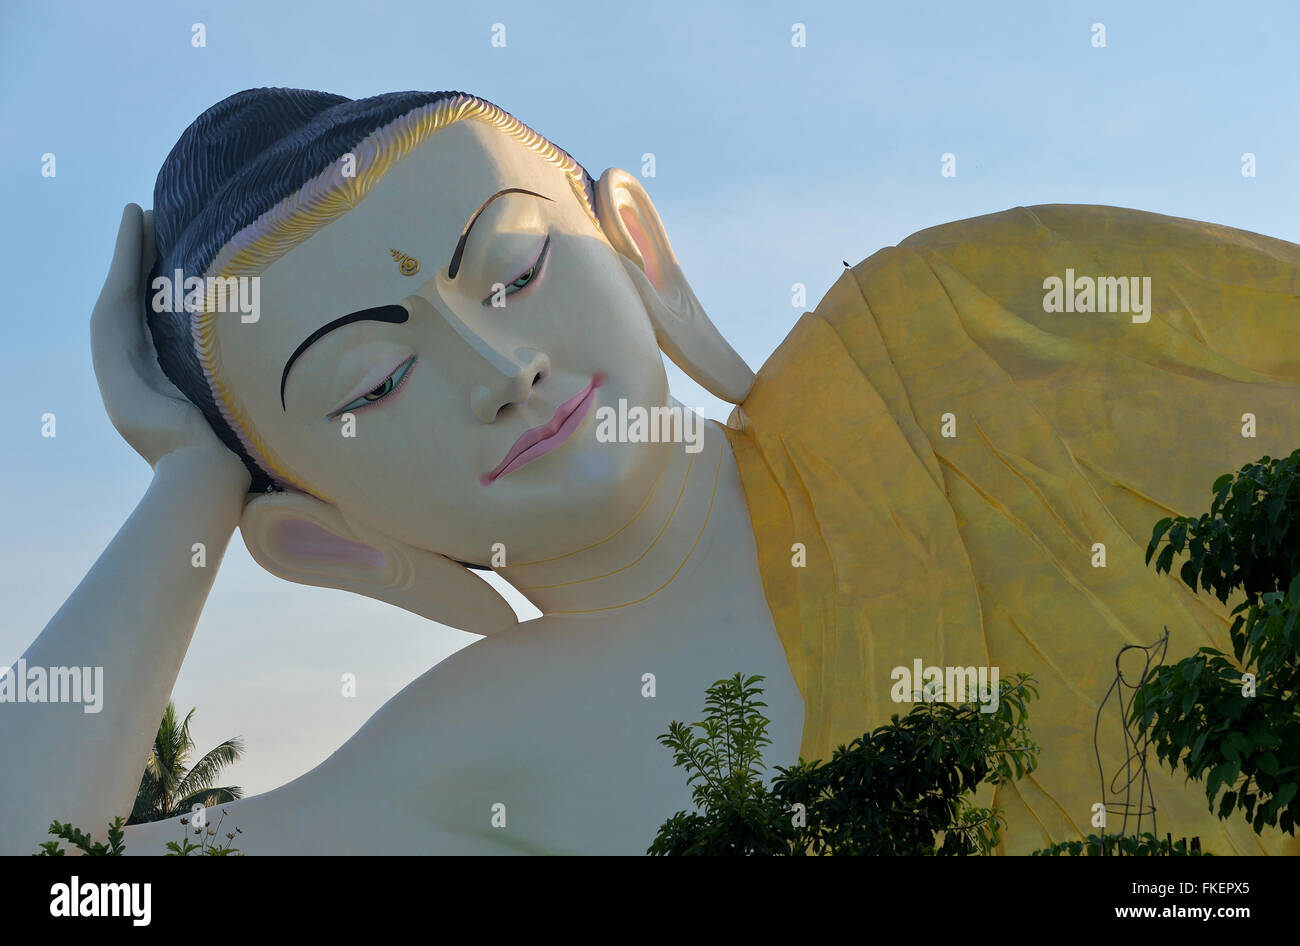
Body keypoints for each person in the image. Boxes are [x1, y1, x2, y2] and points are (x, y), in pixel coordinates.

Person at [1, 88, 1296, 854]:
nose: (496, 362)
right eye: (371, 384)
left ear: (639, 249)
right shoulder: (483, 748)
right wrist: (183, 491)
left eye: (513, 266)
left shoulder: (949, 336)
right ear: (326, 535)